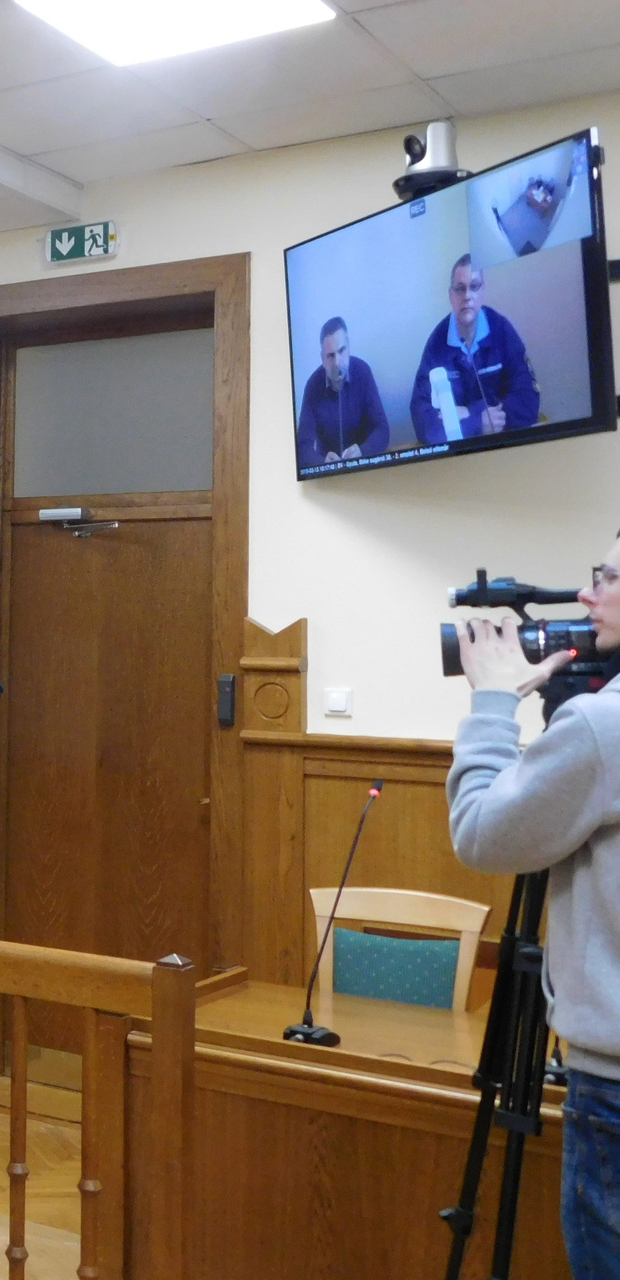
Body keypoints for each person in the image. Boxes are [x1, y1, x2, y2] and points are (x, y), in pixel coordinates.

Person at [449, 539, 620, 1276]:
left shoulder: (603, 727)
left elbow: (481, 834)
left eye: (608, 577)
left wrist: (493, 703)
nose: (587, 594)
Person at [410, 254, 540, 444]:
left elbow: (528, 402)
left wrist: (469, 411)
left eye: (474, 286)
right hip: (460, 451)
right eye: (460, 288)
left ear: (483, 291)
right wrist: (476, 423)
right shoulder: (437, 344)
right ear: (451, 295)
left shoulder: (502, 330)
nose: (467, 296)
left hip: (506, 443)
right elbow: (422, 420)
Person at [296, 316, 389, 467]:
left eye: (341, 351)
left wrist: (363, 451)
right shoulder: (313, 385)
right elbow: (302, 446)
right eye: (330, 356)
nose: (337, 362)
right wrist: (322, 462)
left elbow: (382, 430)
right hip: (329, 472)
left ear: (349, 347)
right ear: (322, 358)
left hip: (365, 466)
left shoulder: (363, 372)